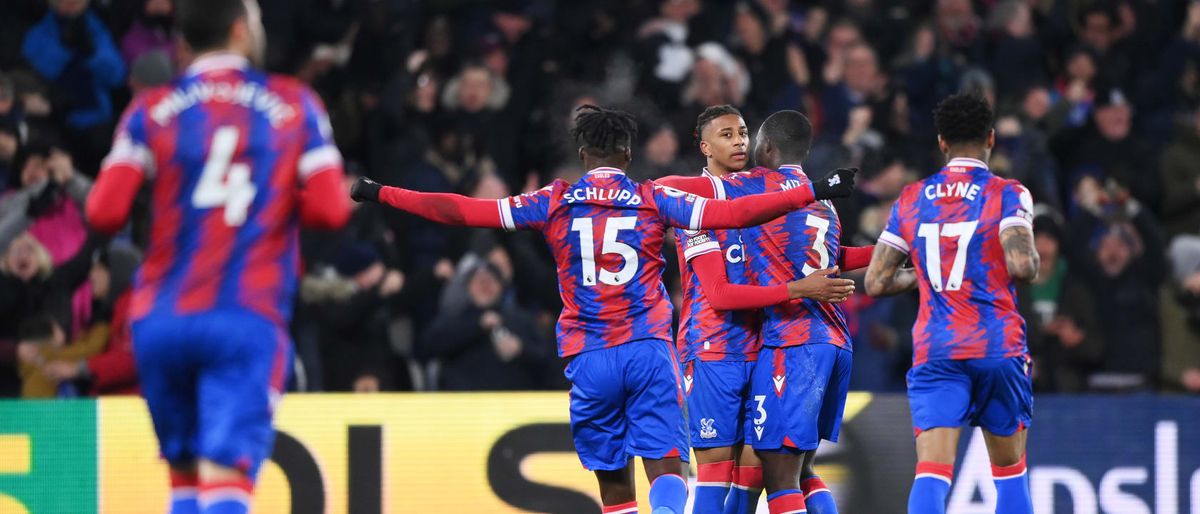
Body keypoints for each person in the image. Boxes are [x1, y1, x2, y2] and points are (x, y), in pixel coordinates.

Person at [350, 104, 857, 514]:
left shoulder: (554, 200)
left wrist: (382, 194)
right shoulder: (653, 198)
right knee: (672, 471)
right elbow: (734, 212)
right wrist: (813, 191)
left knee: (614, 486)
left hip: (590, 354)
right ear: (629, 153)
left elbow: (461, 210)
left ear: (582, 155)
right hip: (649, 351)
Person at [84, 0, 351, 513]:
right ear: (240, 29)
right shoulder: (294, 102)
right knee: (227, 480)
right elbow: (331, 209)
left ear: (183, 42)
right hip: (243, 312)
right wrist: (275, 197)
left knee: (185, 478)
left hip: (160, 317)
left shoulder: (150, 108)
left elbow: (103, 211)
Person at [661, 110, 870, 514]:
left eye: (743, 132)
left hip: (764, 347)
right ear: (705, 147)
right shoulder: (698, 210)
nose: (739, 141)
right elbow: (719, 295)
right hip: (714, 349)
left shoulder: (763, 195)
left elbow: (816, 254)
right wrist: (799, 288)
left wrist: (886, 252)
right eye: (726, 135)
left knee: (765, 473)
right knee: (719, 476)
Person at [864, 93, 1038, 514]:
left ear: (941, 142)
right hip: (996, 345)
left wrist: (925, 274)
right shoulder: (1007, 193)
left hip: (937, 347)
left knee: (932, 470)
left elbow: (876, 281)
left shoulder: (912, 198)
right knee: (1009, 471)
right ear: (991, 138)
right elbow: (1023, 265)